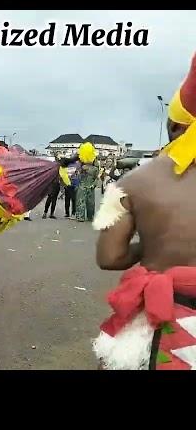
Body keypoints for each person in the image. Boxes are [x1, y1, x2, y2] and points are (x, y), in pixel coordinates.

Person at [92, 52, 196, 370]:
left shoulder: (130, 183)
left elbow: (108, 257)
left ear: (175, 125)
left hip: (160, 326)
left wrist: (148, 246)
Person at [75, 143, 99, 223]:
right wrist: (81, 171)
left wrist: (94, 185)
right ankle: (80, 216)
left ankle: (90, 216)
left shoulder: (95, 169)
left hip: (90, 186)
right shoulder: (81, 167)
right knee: (80, 202)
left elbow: (97, 178)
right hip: (82, 186)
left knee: (91, 203)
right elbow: (78, 176)